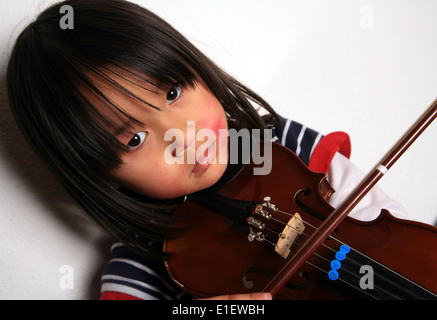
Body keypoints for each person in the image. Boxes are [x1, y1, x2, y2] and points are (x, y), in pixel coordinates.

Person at [6, 0, 406, 300]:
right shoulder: (145, 263)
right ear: (96, 173)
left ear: (195, 67)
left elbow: (391, 228)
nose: (183, 136)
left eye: (173, 92)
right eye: (133, 139)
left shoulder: (284, 146)